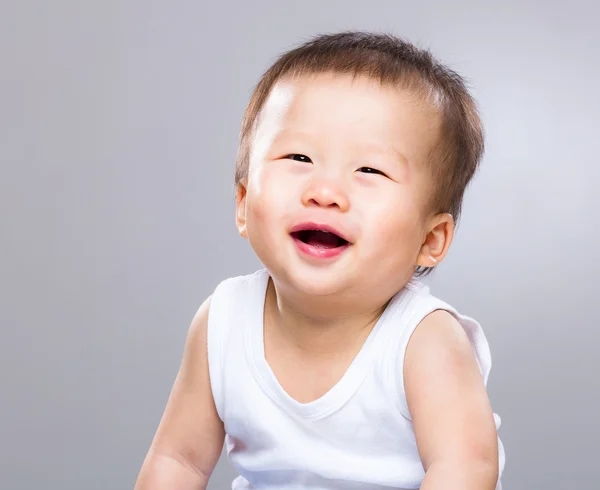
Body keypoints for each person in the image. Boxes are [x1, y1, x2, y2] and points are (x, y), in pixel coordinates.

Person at [135, 31, 505, 490]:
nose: (325, 192)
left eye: (369, 170)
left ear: (431, 238)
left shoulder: (422, 340)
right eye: (299, 156)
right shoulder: (223, 322)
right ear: (244, 203)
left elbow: (465, 469)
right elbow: (179, 461)